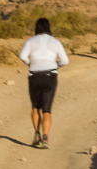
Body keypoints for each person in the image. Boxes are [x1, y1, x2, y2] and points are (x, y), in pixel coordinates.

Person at [19, 17, 68, 149]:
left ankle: (36, 134)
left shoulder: (30, 41)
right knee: (47, 109)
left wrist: (31, 64)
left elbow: (23, 56)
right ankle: (45, 138)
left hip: (34, 76)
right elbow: (65, 61)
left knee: (35, 107)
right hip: (50, 76)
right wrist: (54, 65)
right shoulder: (55, 42)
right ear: (48, 27)